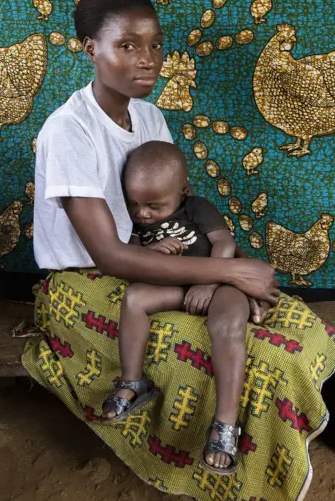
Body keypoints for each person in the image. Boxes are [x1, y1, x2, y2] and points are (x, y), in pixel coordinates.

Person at [24, 0, 335, 501]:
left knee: (287, 325)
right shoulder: (70, 130)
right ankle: (220, 493)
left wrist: (219, 271)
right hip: (85, 284)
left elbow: (177, 209)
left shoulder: (149, 118)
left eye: (155, 44)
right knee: (238, 358)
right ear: (90, 50)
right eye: (127, 45)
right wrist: (227, 273)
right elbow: (108, 256)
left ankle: (232, 472)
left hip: (160, 260)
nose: (147, 59)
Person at [103, 140, 255, 475]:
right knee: (134, 298)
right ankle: (132, 383)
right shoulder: (139, 223)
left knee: (226, 324)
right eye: (135, 204)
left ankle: (225, 423)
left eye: (154, 206)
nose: (143, 213)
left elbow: (224, 243)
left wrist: (209, 282)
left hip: (219, 284)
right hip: (177, 288)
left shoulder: (196, 208)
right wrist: (153, 248)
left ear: (183, 190)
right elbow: (132, 255)